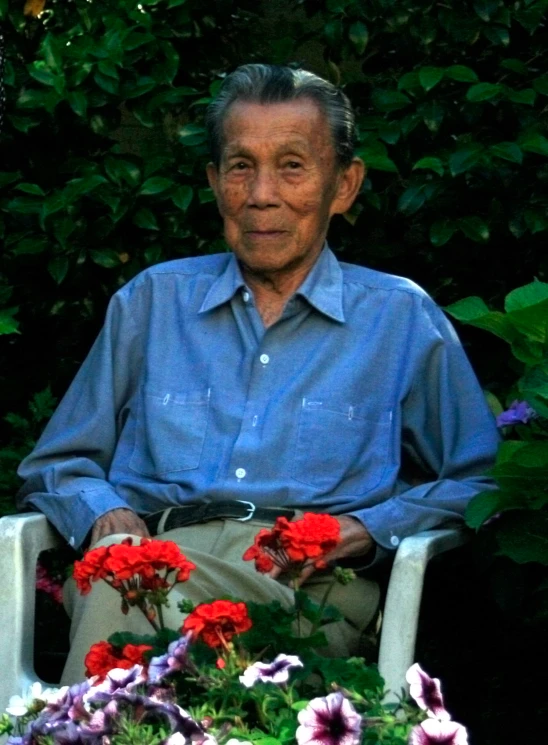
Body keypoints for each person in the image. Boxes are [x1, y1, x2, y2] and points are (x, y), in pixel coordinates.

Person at [17, 64, 500, 683]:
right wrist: (101, 510)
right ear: (216, 183)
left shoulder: (399, 317)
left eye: (293, 165)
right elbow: (58, 460)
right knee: (124, 575)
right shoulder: (153, 302)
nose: (261, 193)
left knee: (123, 589)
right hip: (154, 556)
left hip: (304, 583)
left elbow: (478, 479)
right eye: (241, 166)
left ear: (344, 185)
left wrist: (368, 529)